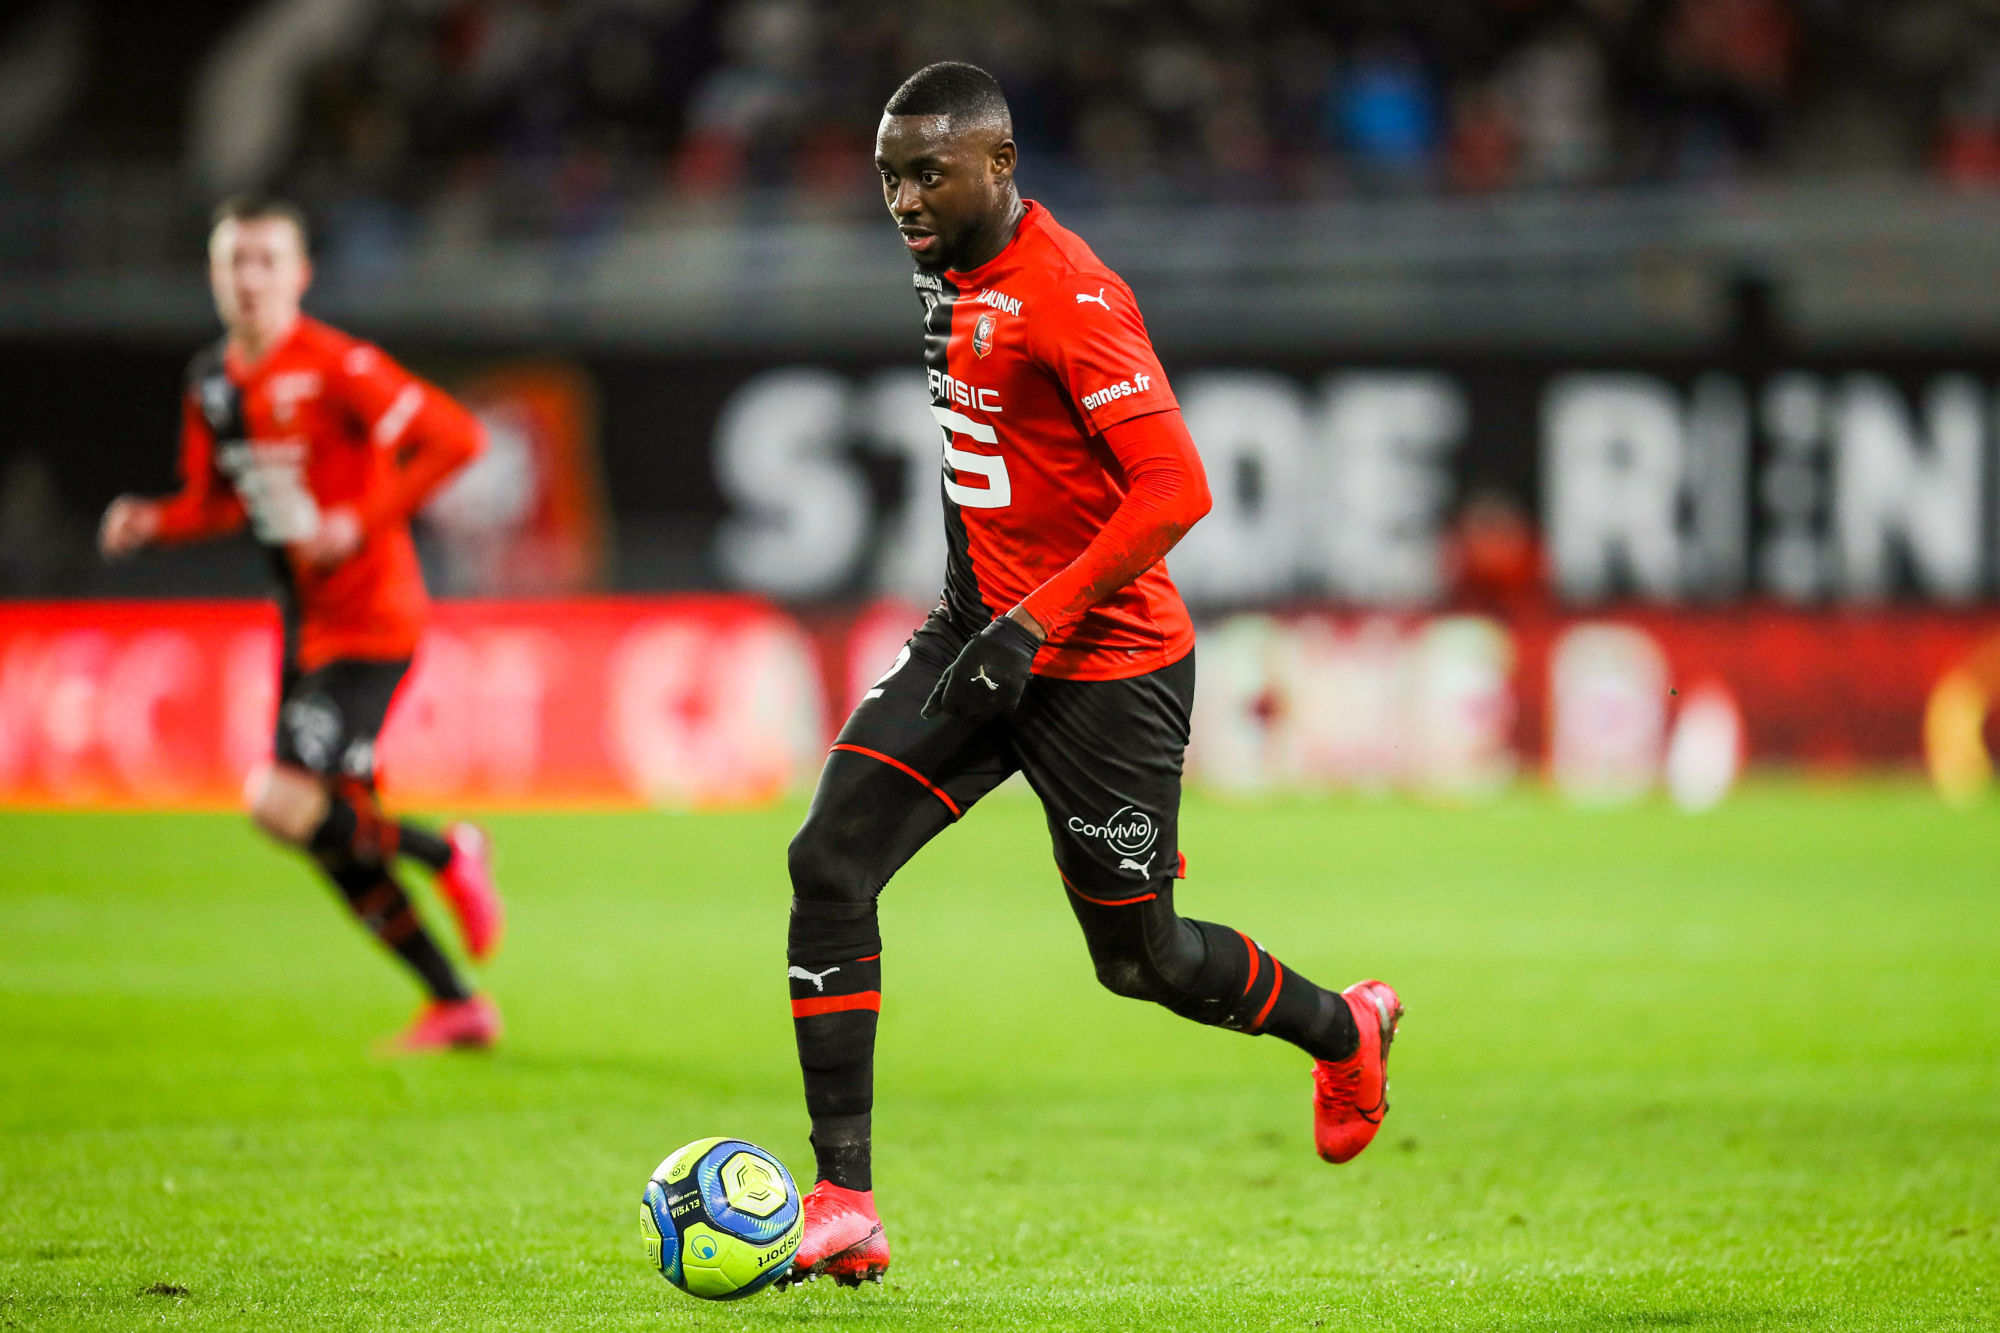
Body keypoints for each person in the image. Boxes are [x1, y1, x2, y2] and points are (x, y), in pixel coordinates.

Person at [777, 63, 1403, 1288]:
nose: (902, 200)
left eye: (927, 174)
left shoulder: (1069, 294)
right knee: (827, 862)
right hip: (977, 635)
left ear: (1000, 164)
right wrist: (980, 612)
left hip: (1103, 664)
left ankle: (1345, 1026)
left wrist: (1032, 622)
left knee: (1138, 961)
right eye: (888, 177)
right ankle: (844, 1199)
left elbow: (1176, 488)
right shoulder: (947, 264)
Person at [99, 196, 505, 1052]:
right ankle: (456, 1004)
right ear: (214, 274)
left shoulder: (337, 365)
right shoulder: (213, 384)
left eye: (266, 261)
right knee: (331, 835)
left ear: (300, 275)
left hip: (371, 621)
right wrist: (153, 521)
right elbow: (221, 502)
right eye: (234, 261)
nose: (249, 278)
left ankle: (449, 853)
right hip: (304, 625)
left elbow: (458, 437)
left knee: (279, 802)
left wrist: (360, 519)